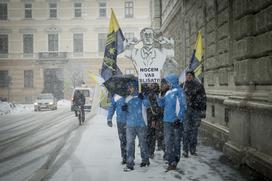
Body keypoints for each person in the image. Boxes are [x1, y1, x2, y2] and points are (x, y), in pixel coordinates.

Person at [157, 74, 187, 171]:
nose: (166, 84)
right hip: (167, 121)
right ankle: (171, 160)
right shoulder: (168, 92)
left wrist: (179, 119)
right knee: (168, 142)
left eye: (167, 82)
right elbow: (161, 104)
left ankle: (175, 161)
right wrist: (160, 95)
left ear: (171, 82)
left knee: (176, 142)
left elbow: (183, 106)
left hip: (175, 122)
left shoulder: (179, 91)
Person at [123, 80, 150, 171]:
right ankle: (130, 163)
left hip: (141, 124)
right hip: (130, 125)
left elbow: (147, 105)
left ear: (135, 87)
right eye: (128, 87)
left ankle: (145, 160)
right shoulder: (127, 98)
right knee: (130, 144)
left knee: (143, 143)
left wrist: (143, 98)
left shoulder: (142, 96)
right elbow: (125, 111)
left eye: (130, 87)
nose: (129, 89)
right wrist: (124, 108)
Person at [182, 69, 207, 157]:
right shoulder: (183, 85)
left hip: (196, 111)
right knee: (185, 131)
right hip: (186, 112)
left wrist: (203, 111)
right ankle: (185, 150)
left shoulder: (199, 85)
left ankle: (192, 149)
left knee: (194, 131)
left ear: (193, 76)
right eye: (187, 75)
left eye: (190, 75)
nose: (188, 76)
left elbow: (203, 98)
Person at [107, 94, 127, 165]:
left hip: (130, 121)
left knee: (130, 141)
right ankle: (124, 157)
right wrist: (109, 119)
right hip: (120, 121)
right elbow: (112, 107)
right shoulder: (116, 96)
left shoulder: (132, 94)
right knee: (122, 140)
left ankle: (130, 157)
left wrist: (128, 106)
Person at [145, 83, 162, 159]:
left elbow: (155, 108)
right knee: (151, 135)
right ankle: (150, 151)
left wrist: (153, 119)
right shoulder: (149, 94)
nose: (150, 85)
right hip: (149, 117)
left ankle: (150, 152)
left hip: (152, 118)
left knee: (151, 135)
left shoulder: (154, 95)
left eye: (152, 85)